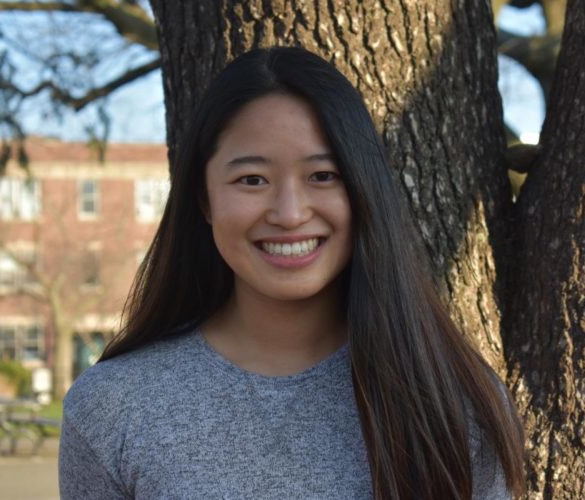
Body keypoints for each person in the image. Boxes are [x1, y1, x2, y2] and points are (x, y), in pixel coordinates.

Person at [59, 46, 526, 499]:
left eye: (322, 176)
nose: (288, 213)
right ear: (204, 199)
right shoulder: (111, 409)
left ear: (364, 190)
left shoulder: (455, 402)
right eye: (252, 180)